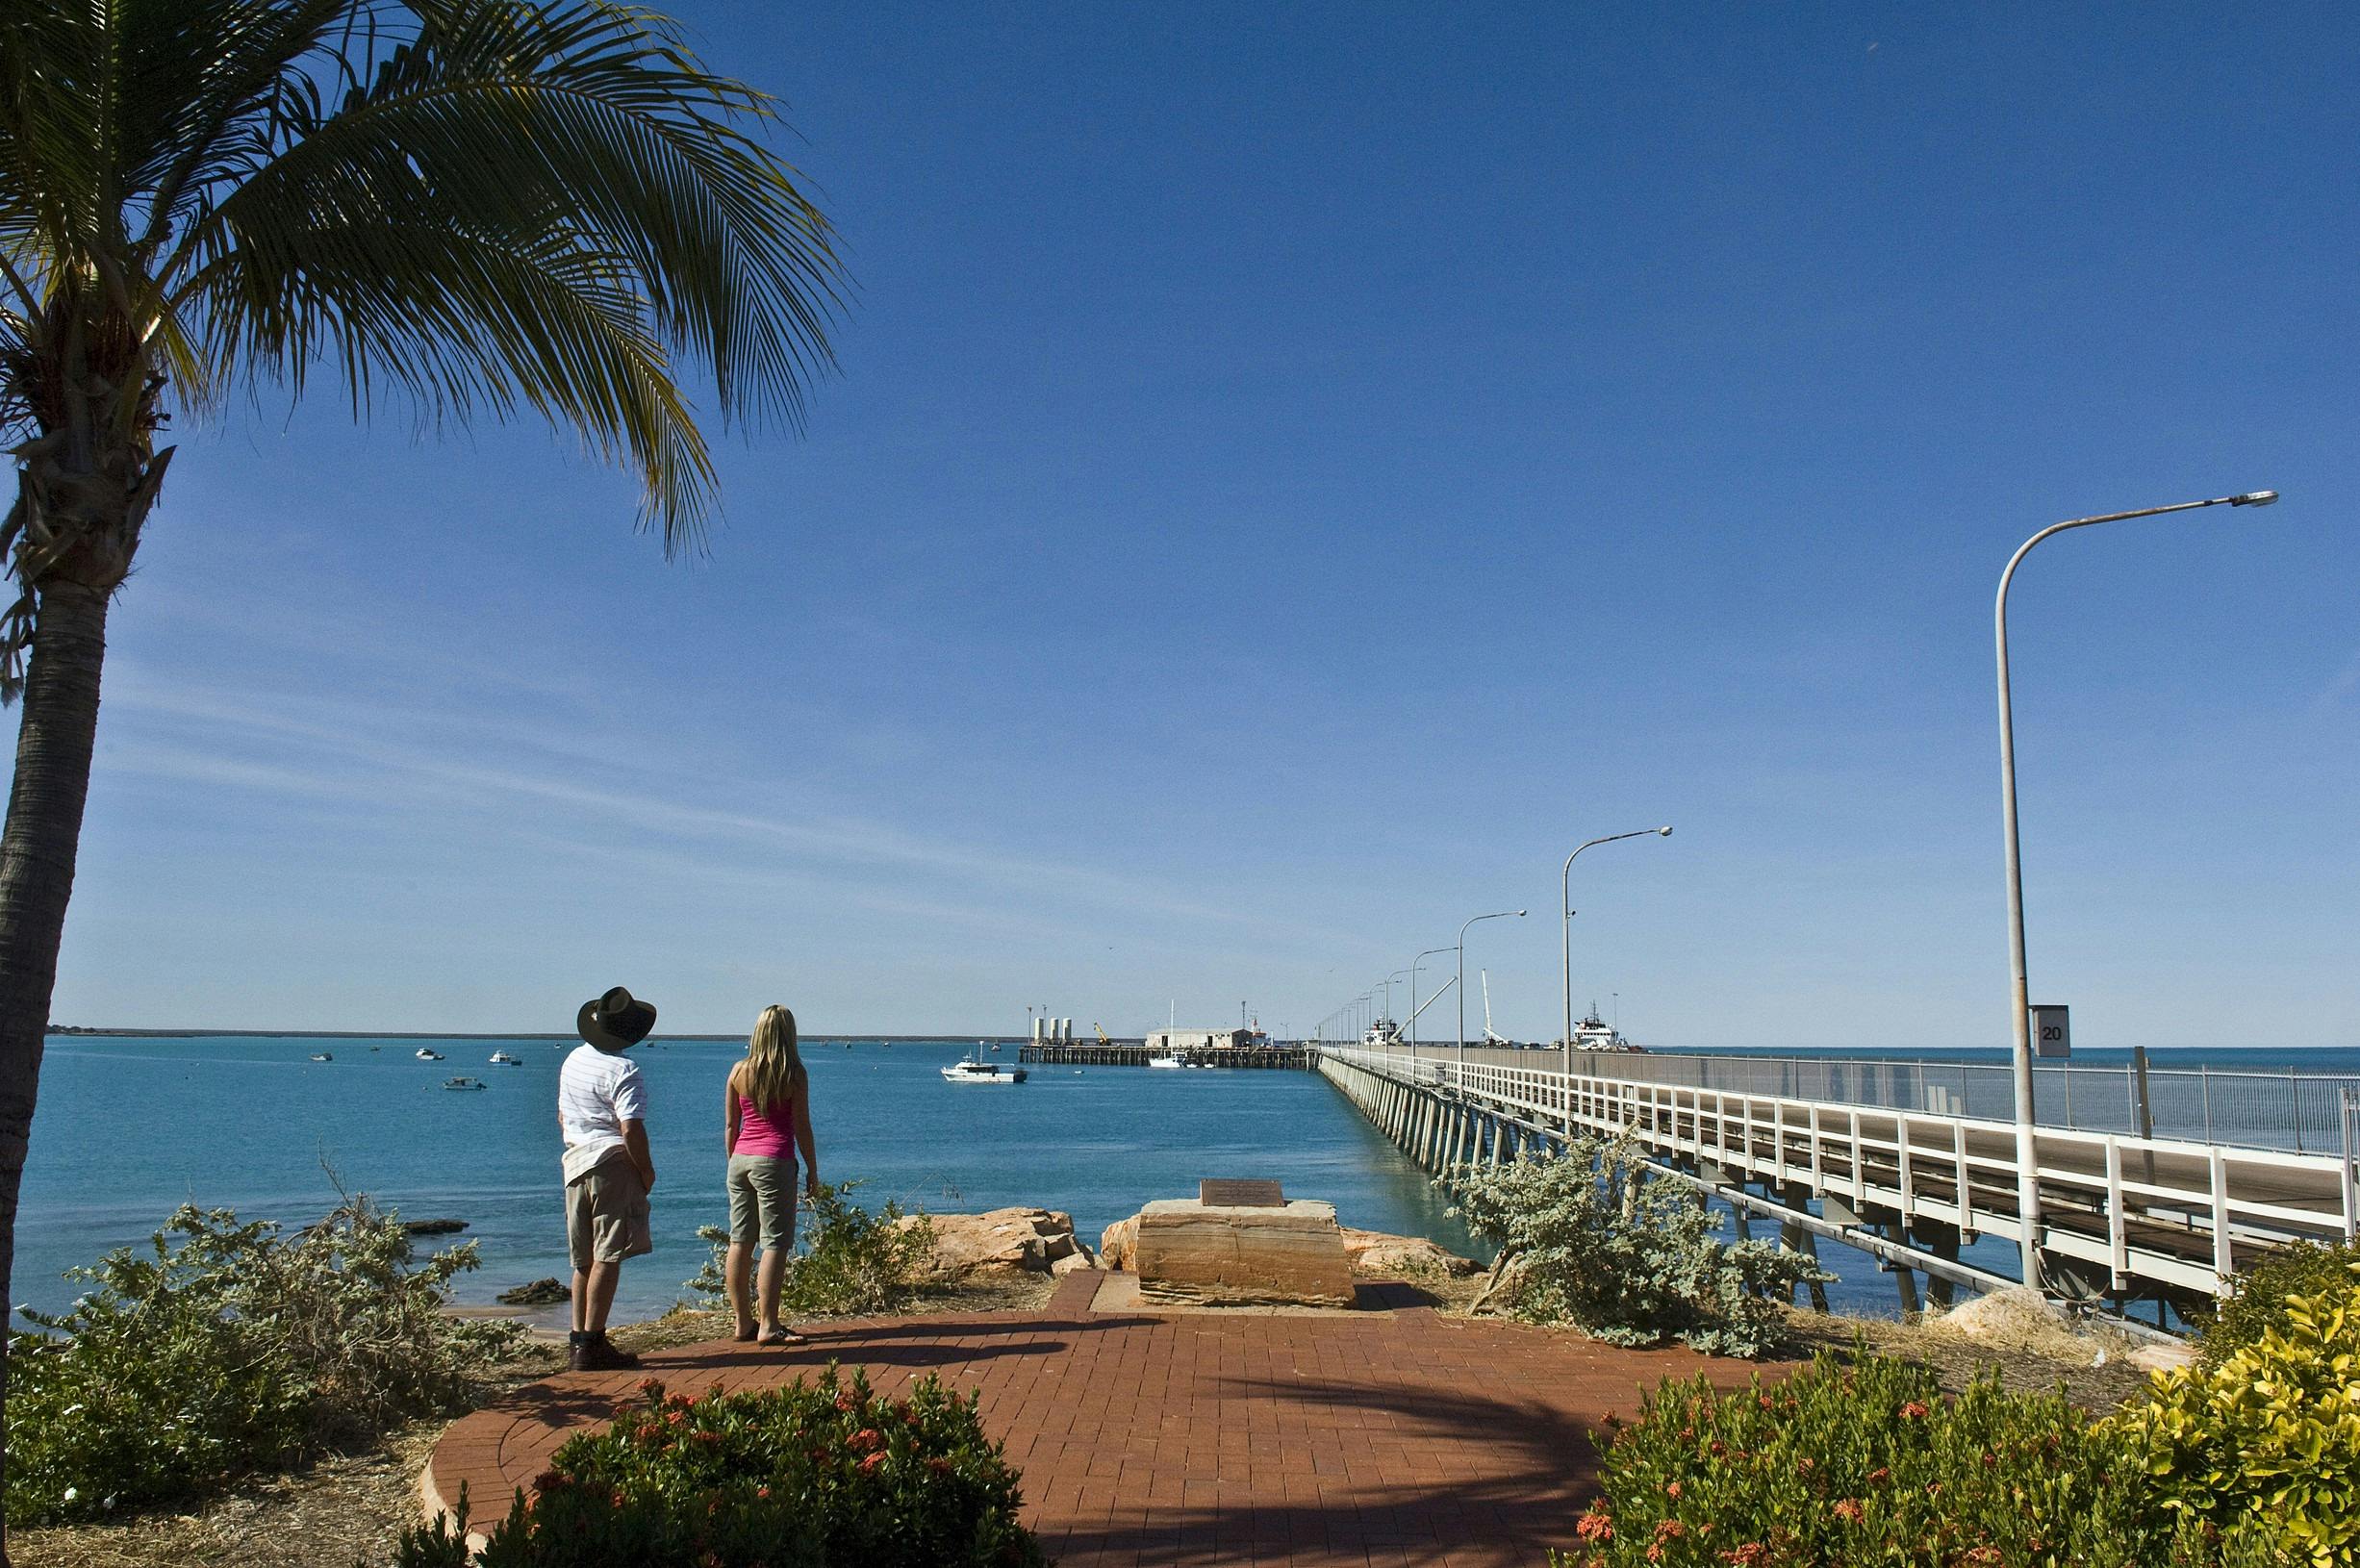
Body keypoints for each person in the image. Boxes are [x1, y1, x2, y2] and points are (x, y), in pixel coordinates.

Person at [559, 985, 658, 1372]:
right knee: (608, 1255)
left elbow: (563, 1117)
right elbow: (631, 1128)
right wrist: (645, 1170)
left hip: (575, 1161)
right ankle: (594, 1342)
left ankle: (579, 1340)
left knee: (582, 1258)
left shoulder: (572, 1060)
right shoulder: (624, 1069)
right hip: (610, 1161)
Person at [723, 1003, 819, 1346]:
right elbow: (801, 1126)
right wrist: (812, 1169)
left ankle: (742, 1322)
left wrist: (733, 1161)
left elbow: (732, 1124)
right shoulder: (794, 1073)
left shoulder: (738, 1071)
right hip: (774, 1160)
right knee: (775, 1243)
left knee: (740, 1240)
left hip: (741, 1160)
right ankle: (768, 1324)